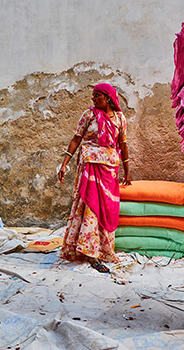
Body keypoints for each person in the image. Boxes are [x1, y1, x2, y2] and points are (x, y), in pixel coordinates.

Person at [57, 83, 131, 273]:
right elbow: (76, 139)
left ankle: (103, 250)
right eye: (93, 95)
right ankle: (91, 254)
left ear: (108, 97)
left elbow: (122, 145)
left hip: (109, 170)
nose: (93, 99)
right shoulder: (89, 115)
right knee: (90, 208)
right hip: (89, 168)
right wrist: (65, 163)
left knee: (106, 208)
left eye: (97, 95)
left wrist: (127, 172)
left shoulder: (120, 119)